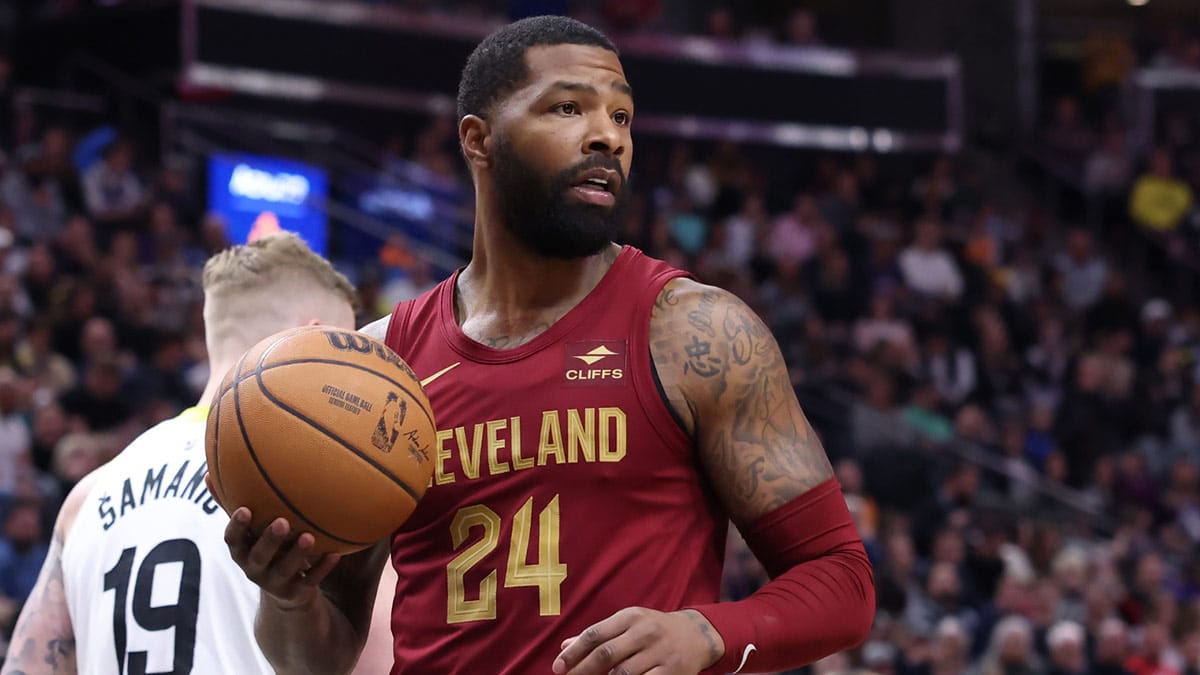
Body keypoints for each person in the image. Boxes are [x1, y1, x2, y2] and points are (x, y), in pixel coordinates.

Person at [218, 15, 875, 675]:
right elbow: (319, 661)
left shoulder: (696, 332)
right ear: (479, 140)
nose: (607, 136)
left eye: (622, 117)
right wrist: (289, 599)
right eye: (569, 108)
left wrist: (706, 633)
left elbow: (843, 580)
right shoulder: (384, 364)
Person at [0, 232, 360, 674]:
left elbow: (27, 667)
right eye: (350, 347)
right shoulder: (332, 488)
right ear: (315, 338)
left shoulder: (85, 498)